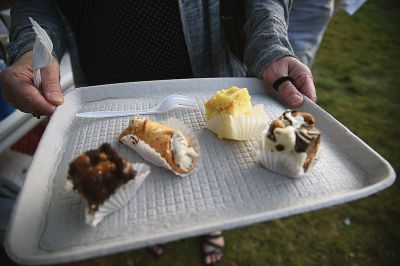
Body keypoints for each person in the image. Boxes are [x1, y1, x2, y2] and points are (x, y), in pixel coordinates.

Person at [0, 0, 317, 265]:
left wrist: (271, 45)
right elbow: (38, 3)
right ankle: (157, 227)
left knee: (216, 177)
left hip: (206, 83)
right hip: (108, 90)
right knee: (147, 184)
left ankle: (211, 227)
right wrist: (31, 48)